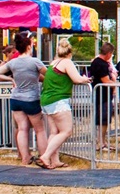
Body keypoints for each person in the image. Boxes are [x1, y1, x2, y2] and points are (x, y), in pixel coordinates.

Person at [0, 32, 47, 165]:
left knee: (22, 129)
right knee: (40, 129)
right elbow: (49, 75)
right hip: (31, 98)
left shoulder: (13, 63)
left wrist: (11, 78)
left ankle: (25, 158)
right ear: (29, 47)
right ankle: (44, 156)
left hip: (16, 98)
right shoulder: (35, 62)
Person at [37, 38, 91, 170]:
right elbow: (76, 79)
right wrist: (85, 79)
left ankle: (54, 160)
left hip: (46, 100)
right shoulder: (67, 62)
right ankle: (46, 155)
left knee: (54, 131)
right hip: (58, 100)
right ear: (70, 53)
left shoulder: (53, 63)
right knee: (66, 131)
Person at [90, 43, 117, 151]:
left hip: (101, 95)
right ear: (109, 53)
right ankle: (100, 143)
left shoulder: (96, 62)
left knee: (103, 120)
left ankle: (103, 142)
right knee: (103, 120)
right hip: (103, 96)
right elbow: (105, 81)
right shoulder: (101, 64)